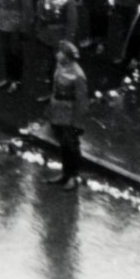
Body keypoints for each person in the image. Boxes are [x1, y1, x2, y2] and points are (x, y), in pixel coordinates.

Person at [44, 41, 88, 191]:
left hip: (69, 116)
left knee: (71, 146)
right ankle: (65, 174)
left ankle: (73, 177)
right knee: (63, 145)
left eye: (61, 52)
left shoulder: (78, 75)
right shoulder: (60, 66)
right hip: (58, 111)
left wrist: (78, 124)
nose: (57, 54)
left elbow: (81, 102)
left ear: (68, 57)